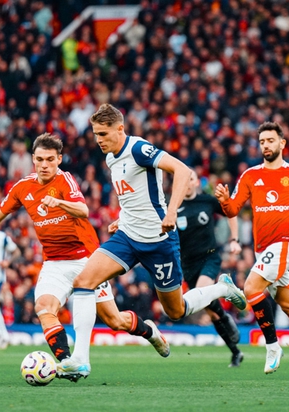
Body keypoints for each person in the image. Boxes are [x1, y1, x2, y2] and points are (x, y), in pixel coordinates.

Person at [58, 104, 247, 380]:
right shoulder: (111, 156)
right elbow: (133, 195)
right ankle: (80, 360)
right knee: (83, 281)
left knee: (176, 310)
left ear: (120, 129)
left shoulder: (138, 149)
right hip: (127, 237)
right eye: (96, 134)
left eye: (103, 133)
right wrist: (122, 218)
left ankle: (221, 288)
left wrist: (171, 211)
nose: (98, 139)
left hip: (159, 241)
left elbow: (181, 171)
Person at [0, 133, 164, 378]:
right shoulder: (22, 187)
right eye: (40, 159)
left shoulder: (65, 180)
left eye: (50, 160)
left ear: (59, 159)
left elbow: (84, 210)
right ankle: (69, 363)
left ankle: (150, 332)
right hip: (54, 262)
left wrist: (58, 202)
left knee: (115, 320)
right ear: (33, 159)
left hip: (86, 260)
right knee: (44, 307)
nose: (45, 165)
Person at [214, 121, 289, 378]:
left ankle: (272, 346)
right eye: (262, 142)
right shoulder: (249, 176)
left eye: (270, 140)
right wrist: (225, 202)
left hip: (286, 243)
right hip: (263, 250)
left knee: (251, 288)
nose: (265, 145)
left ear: (282, 143)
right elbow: (233, 209)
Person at [178, 171, 244, 367]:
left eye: (190, 179)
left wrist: (235, 239)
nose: (187, 183)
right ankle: (235, 351)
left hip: (209, 257)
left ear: (196, 181)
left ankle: (226, 315)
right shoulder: (172, 205)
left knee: (202, 292)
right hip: (187, 264)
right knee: (211, 311)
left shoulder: (206, 201)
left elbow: (231, 211)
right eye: (184, 179)